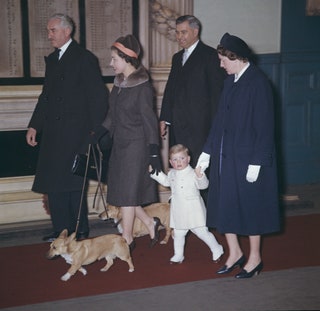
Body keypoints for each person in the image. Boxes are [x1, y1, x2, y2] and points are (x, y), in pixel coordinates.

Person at [197, 33, 280, 278]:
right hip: (227, 157)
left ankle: (255, 258)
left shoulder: (258, 83)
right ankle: (234, 252)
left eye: (223, 60)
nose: (221, 64)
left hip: (248, 159)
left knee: (252, 208)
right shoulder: (230, 82)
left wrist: (258, 161)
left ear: (237, 58)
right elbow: (219, 121)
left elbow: (266, 127)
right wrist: (206, 153)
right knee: (225, 204)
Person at [26, 13, 109, 242]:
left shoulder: (84, 58)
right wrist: (34, 126)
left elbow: (99, 98)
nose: (49, 35)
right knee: (54, 183)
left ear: (66, 31)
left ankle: (79, 229)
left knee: (73, 184)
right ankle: (60, 230)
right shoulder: (53, 60)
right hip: (53, 133)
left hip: (76, 133)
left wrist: (93, 132)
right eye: (49, 30)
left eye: (53, 30)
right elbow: (46, 97)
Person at [94, 34, 162, 250]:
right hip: (120, 146)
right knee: (125, 193)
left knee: (127, 193)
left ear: (126, 59)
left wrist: (153, 151)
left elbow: (150, 121)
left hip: (137, 147)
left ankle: (128, 237)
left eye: (114, 58)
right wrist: (97, 134)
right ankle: (151, 222)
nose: (111, 63)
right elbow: (112, 116)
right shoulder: (119, 84)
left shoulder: (142, 87)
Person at [159, 15, 225, 167]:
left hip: (200, 129)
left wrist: (216, 127)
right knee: (180, 170)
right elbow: (170, 90)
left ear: (195, 32)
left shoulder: (210, 56)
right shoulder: (177, 58)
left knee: (200, 171)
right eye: (177, 32)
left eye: (183, 32)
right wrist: (165, 118)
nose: (179, 37)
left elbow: (217, 95)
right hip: (178, 126)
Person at [150, 144, 224, 264]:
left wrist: (200, 176)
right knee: (178, 234)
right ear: (170, 162)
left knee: (202, 232)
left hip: (194, 210)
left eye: (182, 158)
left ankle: (217, 248)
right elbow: (166, 181)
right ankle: (178, 255)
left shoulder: (194, 173)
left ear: (188, 159)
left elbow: (204, 185)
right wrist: (154, 172)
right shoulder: (172, 173)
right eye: (175, 159)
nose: (179, 162)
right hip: (179, 210)